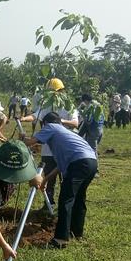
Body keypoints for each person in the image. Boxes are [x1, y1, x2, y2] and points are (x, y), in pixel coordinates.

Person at [22, 112, 97, 249]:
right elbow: (60, 167)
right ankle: (76, 232)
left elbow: (30, 143)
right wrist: (45, 181)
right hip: (91, 162)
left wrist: (22, 139)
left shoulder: (51, 126)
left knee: (66, 199)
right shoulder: (66, 133)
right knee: (79, 198)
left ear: (45, 123)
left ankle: (61, 239)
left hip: (79, 163)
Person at [19, 78, 78, 211]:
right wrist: (23, 118)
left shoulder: (69, 106)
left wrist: (59, 121)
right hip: (48, 150)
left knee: (65, 179)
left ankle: (64, 206)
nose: (53, 95)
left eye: (55, 92)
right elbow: (35, 116)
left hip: (63, 149)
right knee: (49, 180)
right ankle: (48, 204)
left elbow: (75, 123)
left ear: (62, 91)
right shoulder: (46, 105)